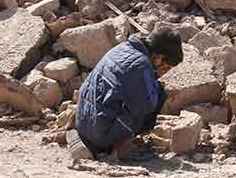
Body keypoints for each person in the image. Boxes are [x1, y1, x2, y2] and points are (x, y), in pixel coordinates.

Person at [71, 28, 183, 161]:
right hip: (99, 135)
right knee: (158, 94)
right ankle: (119, 149)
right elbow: (147, 105)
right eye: (167, 67)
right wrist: (154, 81)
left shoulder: (123, 47)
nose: (165, 72)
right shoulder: (141, 65)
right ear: (159, 58)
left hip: (81, 121)